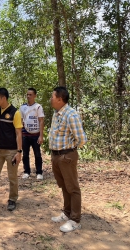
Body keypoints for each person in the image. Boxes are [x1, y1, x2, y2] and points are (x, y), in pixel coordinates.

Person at [49, 86, 87, 233]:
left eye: (52, 97)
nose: (51, 99)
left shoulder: (71, 115)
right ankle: (67, 213)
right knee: (64, 186)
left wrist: (69, 151)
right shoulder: (57, 113)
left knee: (73, 188)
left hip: (66, 156)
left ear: (60, 99)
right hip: (57, 156)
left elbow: (82, 139)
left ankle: (75, 220)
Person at [19, 88, 45, 180]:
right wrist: (20, 134)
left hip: (36, 135)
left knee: (37, 154)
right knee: (25, 154)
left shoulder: (38, 107)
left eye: (30, 95)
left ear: (35, 96)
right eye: (27, 94)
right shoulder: (22, 107)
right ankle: (26, 171)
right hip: (25, 135)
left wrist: (41, 136)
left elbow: (41, 121)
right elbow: (21, 121)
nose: (28, 96)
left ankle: (39, 172)